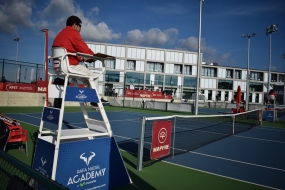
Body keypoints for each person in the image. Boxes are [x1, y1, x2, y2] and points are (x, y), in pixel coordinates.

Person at [52, 15, 97, 88]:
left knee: (86, 78)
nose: (80, 29)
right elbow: (84, 49)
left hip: (58, 67)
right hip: (70, 66)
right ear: (74, 25)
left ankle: (88, 97)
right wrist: (94, 56)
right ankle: (94, 98)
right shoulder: (73, 33)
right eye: (80, 26)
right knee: (93, 77)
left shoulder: (59, 35)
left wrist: (81, 59)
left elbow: (68, 52)